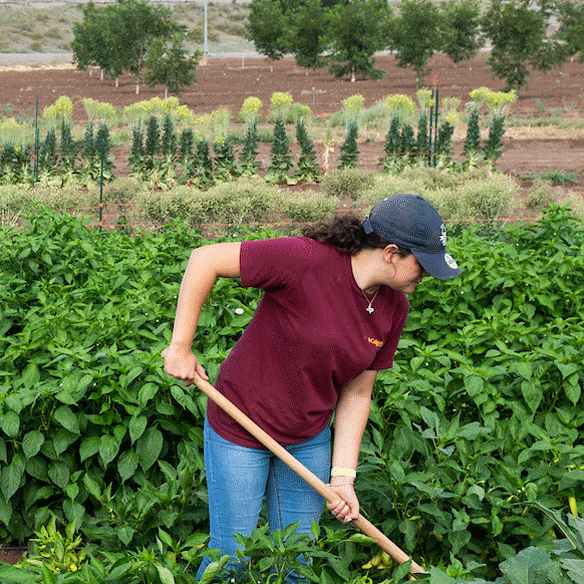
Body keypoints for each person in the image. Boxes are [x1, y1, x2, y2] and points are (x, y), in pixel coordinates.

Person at [161, 193, 461, 579]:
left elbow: (357, 393)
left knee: (297, 562)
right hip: (240, 428)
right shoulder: (306, 260)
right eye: (423, 264)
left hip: (308, 438)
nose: (428, 274)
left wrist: (343, 478)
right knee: (230, 560)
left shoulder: (394, 307)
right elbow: (205, 259)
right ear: (390, 253)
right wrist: (181, 347)